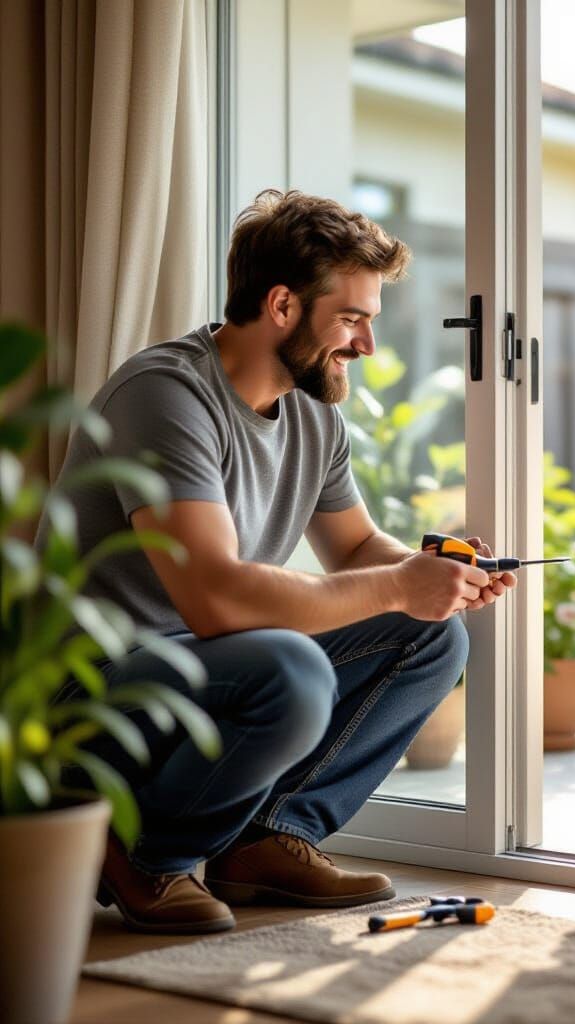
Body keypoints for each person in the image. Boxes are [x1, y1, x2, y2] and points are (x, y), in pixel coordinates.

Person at [49, 189, 516, 934]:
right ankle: (145, 856)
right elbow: (217, 601)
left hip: (202, 663)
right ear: (281, 307)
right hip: (97, 692)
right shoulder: (166, 395)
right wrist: (397, 584)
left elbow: (358, 548)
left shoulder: (311, 411)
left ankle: (261, 841)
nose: (366, 346)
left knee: (431, 636)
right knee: (288, 670)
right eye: (353, 319)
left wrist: (438, 574)